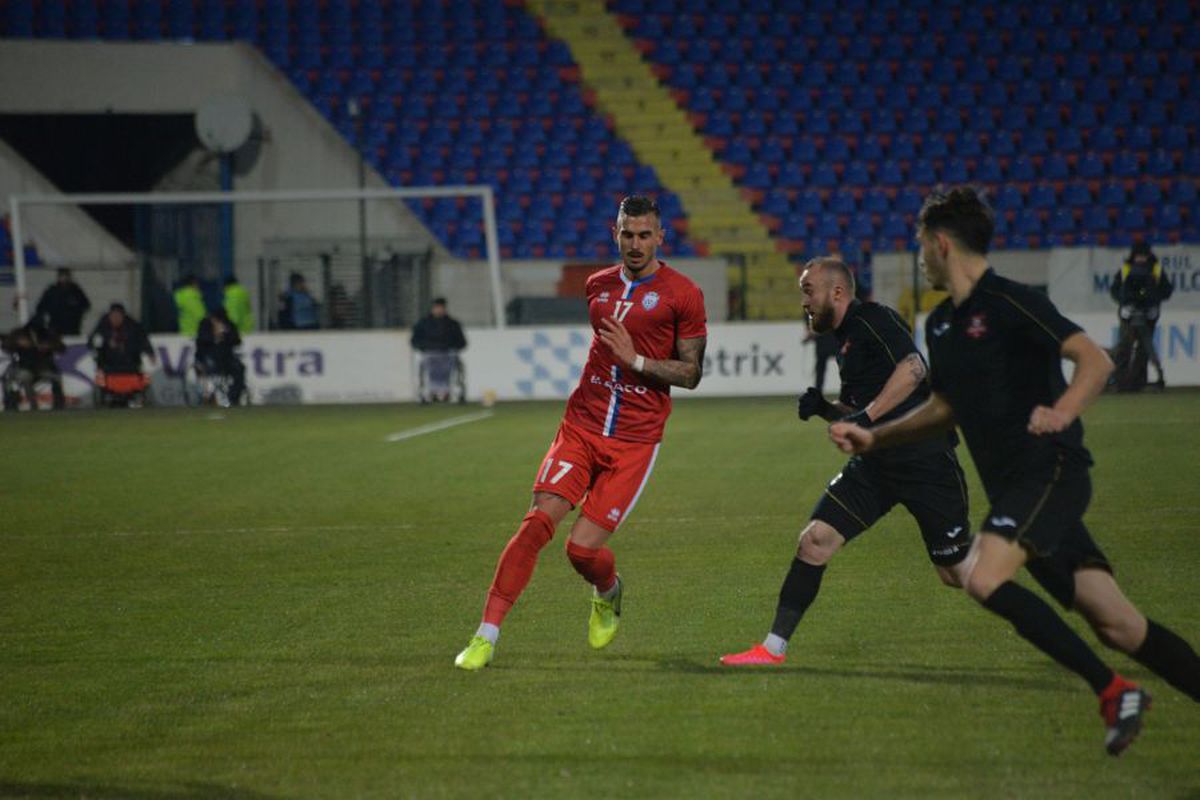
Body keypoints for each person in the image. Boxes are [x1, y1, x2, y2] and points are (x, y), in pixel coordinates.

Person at [830, 186, 1200, 756]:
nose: (920, 256)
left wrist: (1062, 411)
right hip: (1016, 489)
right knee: (1120, 626)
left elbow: (1094, 360)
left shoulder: (1009, 301)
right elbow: (946, 409)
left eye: (922, 246)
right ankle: (1129, 679)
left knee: (982, 575)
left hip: (1050, 472)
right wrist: (873, 435)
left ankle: (1113, 691)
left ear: (941, 243)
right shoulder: (943, 327)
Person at [454, 195, 708, 670]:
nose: (635, 244)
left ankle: (608, 591)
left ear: (660, 237)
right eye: (627, 234)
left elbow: (692, 374)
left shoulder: (683, 293)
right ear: (616, 234)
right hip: (581, 425)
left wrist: (635, 360)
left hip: (635, 440)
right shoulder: (597, 286)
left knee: (580, 550)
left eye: (644, 235)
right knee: (535, 525)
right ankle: (485, 635)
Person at [720, 257, 971, 666]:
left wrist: (864, 417)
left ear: (837, 292)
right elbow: (858, 412)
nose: (803, 300)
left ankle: (1031, 574)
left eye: (807, 290)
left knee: (955, 573)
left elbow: (913, 368)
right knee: (814, 541)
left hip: (925, 462)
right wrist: (825, 408)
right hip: (875, 466)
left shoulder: (872, 318)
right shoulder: (846, 339)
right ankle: (772, 648)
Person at [1109, 241, 1172, 391]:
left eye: (1143, 255)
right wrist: (1124, 303)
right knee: (1125, 346)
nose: (1141, 259)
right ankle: (1120, 381)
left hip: (1148, 313)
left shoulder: (1156, 270)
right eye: (1138, 255)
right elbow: (1115, 290)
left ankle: (1138, 382)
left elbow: (1166, 290)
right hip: (1128, 315)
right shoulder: (1125, 270)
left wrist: (1154, 302)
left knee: (1144, 348)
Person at [411, 297, 467, 403]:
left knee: (456, 364)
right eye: (437, 307)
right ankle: (429, 392)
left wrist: (452, 347)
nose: (439, 310)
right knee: (426, 364)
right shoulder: (423, 324)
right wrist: (425, 347)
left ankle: (450, 392)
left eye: (441, 307)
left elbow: (462, 342)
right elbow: (414, 341)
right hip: (430, 355)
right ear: (432, 309)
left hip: (448, 355)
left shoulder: (453, 324)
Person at [2, 317, 65, 410]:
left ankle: (59, 404)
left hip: (44, 367)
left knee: (56, 378)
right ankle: (32, 404)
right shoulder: (20, 334)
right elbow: (6, 347)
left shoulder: (47, 335)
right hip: (25, 366)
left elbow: (62, 348)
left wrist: (49, 346)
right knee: (23, 377)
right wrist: (17, 343)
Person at [195, 307, 246, 406]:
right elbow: (201, 341)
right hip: (208, 357)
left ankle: (233, 398)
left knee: (239, 368)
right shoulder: (205, 325)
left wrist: (225, 335)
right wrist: (214, 335)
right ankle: (210, 398)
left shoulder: (228, 324)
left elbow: (237, 340)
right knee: (211, 371)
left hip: (226, 358)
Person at [89, 303, 156, 375]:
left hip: (129, 364)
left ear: (123, 316)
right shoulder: (103, 324)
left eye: (118, 316)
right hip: (108, 364)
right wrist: (106, 341)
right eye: (113, 316)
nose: (115, 319)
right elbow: (92, 341)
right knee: (99, 343)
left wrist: (150, 353)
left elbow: (143, 340)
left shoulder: (132, 326)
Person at [35, 267, 91, 336]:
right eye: (62, 276)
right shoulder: (52, 290)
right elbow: (41, 306)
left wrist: (77, 313)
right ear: (58, 277)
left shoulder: (75, 290)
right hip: (55, 326)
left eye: (66, 276)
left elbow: (86, 304)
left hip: (72, 326)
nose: (64, 278)